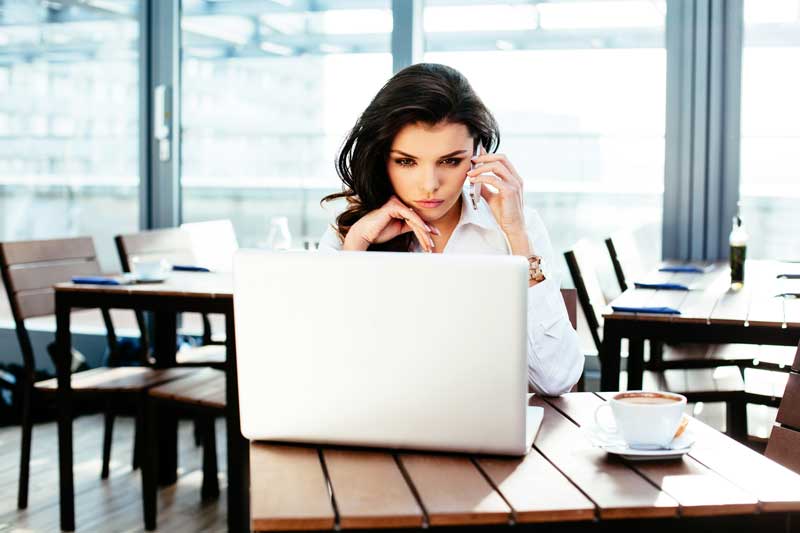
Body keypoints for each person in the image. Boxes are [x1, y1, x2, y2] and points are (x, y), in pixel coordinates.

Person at [318, 63, 582, 396]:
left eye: (450, 161)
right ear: (382, 159)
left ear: (478, 156)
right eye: (406, 161)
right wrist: (356, 246)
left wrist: (517, 237)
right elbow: (325, 368)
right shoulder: (353, 230)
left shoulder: (517, 228)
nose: (430, 186)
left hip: (484, 433)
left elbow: (555, 379)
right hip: (374, 426)